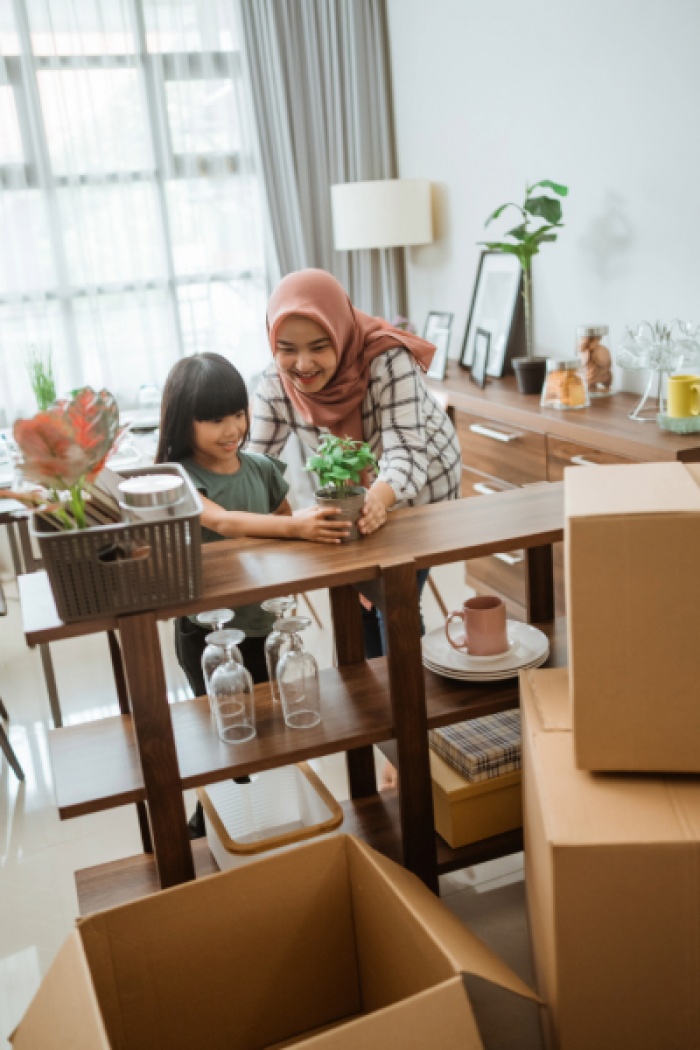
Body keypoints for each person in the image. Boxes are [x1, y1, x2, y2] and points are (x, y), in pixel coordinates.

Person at [248, 270, 462, 784]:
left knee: (395, 598)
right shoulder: (271, 386)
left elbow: (410, 451)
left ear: (341, 333)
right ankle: (389, 731)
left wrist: (378, 499)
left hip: (420, 488)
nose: (303, 365)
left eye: (320, 346)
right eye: (287, 348)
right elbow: (256, 467)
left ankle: (411, 739)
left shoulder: (386, 359)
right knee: (360, 607)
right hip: (351, 500)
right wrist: (279, 521)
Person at [155, 352, 350, 831]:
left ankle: (265, 822)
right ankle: (208, 823)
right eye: (215, 419)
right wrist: (295, 528)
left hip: (265, 627)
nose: (231, 428)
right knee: (226, 739)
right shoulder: (180, 477)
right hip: (208, 636)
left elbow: (287, 530)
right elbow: (222, 521)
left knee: (271, 730)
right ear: (185, 422)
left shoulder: (262, 468)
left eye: (237, 413)